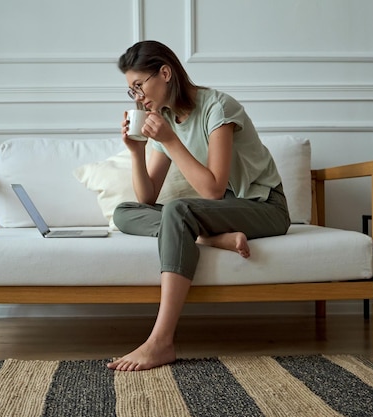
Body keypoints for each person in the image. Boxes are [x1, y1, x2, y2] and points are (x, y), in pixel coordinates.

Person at [107, 41, 291, 372]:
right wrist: (136, 150)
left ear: (164, 73)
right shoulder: (165, 118)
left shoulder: (218, 108)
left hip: (263, 206)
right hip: (221, 215)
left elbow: (213, 189)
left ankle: (161, 341)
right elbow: (147, 198)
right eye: (131, 91)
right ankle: (209, 237)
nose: (137, 97)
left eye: (139, 86)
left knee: (178, 210)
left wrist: (169, 140)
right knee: (124, 211)